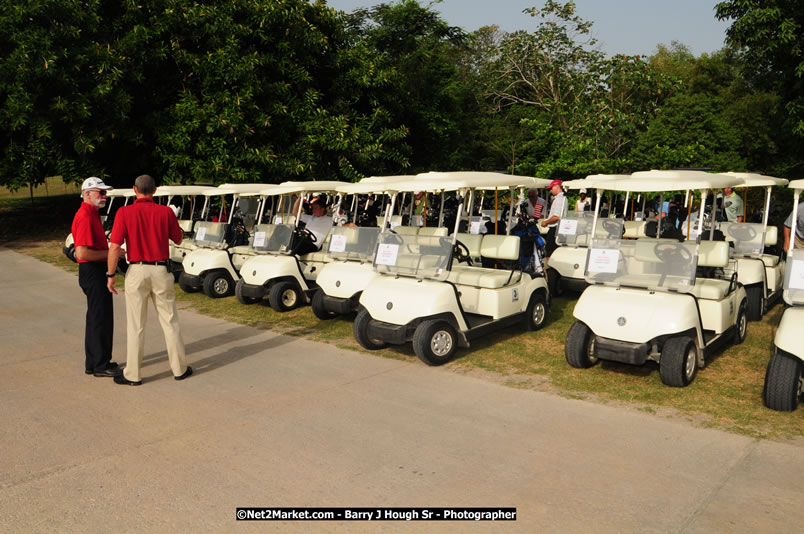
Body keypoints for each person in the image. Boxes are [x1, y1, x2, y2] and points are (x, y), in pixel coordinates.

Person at [107, 174, 191, 386]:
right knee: (170, 321)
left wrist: (110, 275)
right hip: (160, 269)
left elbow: (115, 246)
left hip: (136, 270)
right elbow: (179, 238)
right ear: (155, 190)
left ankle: (133, 374)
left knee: (136, 325)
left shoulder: (124, 212)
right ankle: (179, 369)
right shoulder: (165, 212)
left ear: (134, 189)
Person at [71, 177, 121, 377]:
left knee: (95, 317)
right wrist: (111, 253)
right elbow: (82, 254)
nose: (104, 196)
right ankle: (101, 364)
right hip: (92, 271)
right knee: (100, 317)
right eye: (100, 193)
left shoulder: (91, 214)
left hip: (94, 270)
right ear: (87, 194)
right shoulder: (84, 215)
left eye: (105, 193)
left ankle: (94, 361)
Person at [540, 179, 569, 259]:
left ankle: (549, 270)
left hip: (555, 229)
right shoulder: (562, 198)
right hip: (559, 229)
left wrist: (546, 222)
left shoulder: (560, 199)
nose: (551, 190)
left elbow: (556, 217)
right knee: (555, 253)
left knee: (549, 253)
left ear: (557, 187)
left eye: (551, 188)